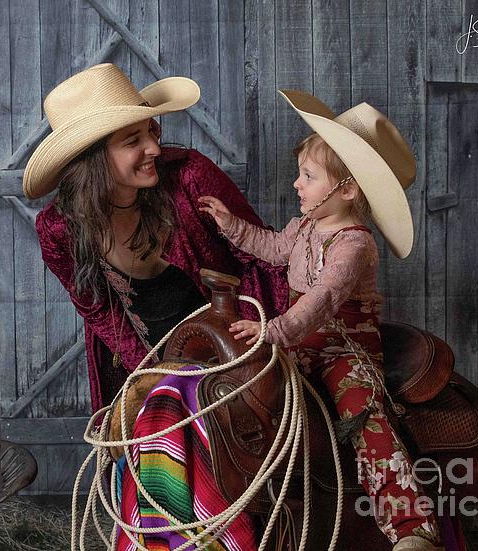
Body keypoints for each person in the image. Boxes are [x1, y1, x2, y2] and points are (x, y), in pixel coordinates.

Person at [23, 64, 289, 549]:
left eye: (152, 131)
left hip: (233, 346)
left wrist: (260, 341)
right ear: (92, 159)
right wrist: (150, 371)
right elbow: (99, 312)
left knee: (169, 419)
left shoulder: (189, 177)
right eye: (132, 141)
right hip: (145, 359)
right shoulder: (60, 230)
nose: (153, 148)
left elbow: (264, 257)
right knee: (157, 415)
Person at [199, 91, 445, 551]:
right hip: (299, 343)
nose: (297, 184)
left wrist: (272, 331)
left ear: (346, 189)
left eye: (308, 176)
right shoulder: (306, 225)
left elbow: (322, 298)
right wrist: (231, 225)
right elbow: (273, 248)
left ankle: (412, 529)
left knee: (365, 415)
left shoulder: (353, 244)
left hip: (340, 349)